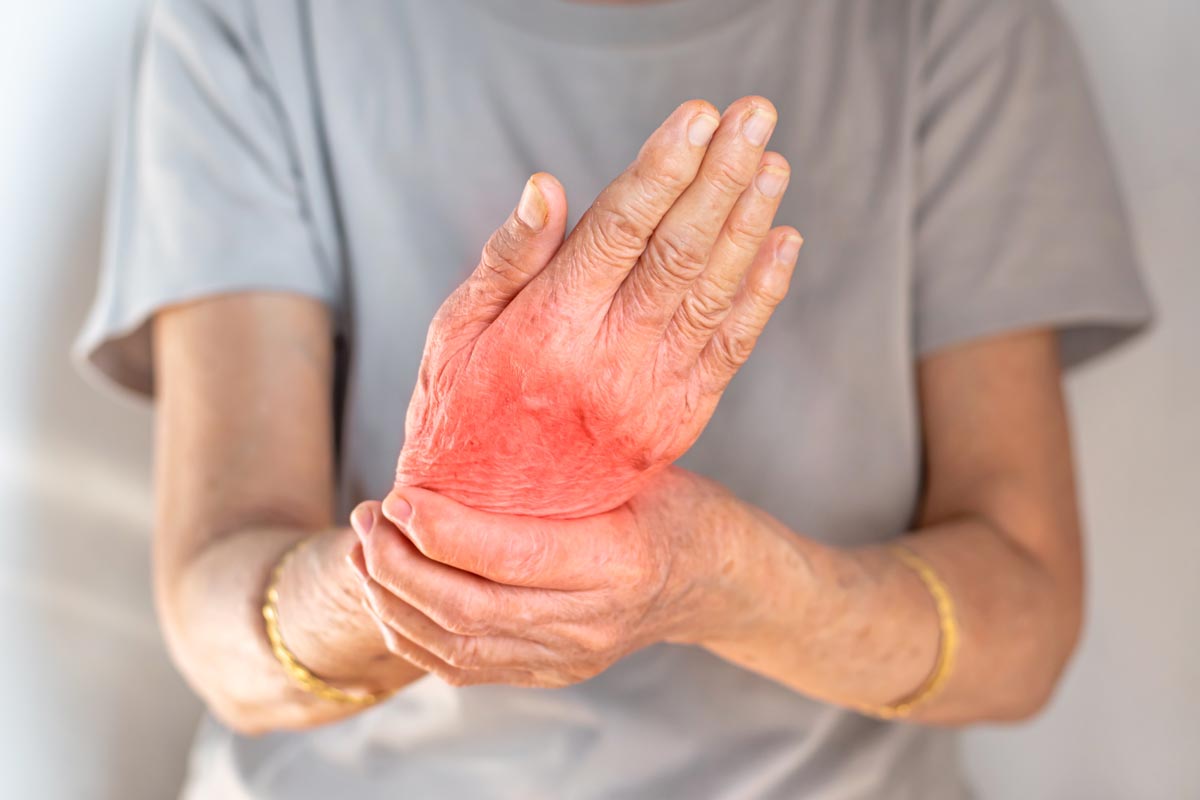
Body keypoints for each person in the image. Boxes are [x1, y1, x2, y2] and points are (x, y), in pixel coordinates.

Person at [75, 0, 1152, 797]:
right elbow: (217, 622)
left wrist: (722, 578)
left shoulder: (955, 22)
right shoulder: (248, 19)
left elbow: (1028, 620)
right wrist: (433, 549)